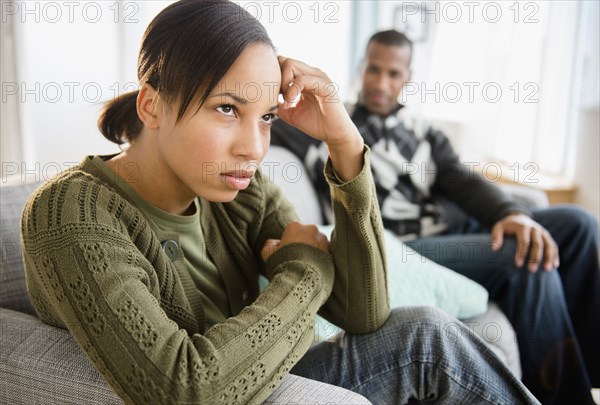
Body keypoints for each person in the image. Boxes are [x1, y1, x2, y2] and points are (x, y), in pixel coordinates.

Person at [19, 3, 540, 404]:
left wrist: (346, 146)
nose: (255, 146)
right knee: (427, 341)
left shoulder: (236, 191)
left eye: (266, 116)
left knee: (421, 329)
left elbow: (366, 312)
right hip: (226, 389)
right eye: (227, 108)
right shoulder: (70, 213)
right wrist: (306, 270)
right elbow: (184, 390)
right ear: (152, 104)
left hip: (267, 376)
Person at [271, 29, 600, 404]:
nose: (380, 82)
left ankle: (590, 373)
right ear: (361, 68)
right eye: (373, 70)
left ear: (407, 77)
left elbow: (462, 181)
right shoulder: (326, 121)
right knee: (525, 257)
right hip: (405, 248)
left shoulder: (424, 132)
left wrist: (511, 213)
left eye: (393, 74)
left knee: (579, 224)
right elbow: (265, 116)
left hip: (452, 232)